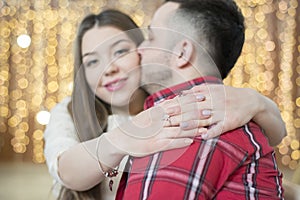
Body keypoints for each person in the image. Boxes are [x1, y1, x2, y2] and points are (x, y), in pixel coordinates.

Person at [44, 7, 285, 200]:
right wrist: (122, 138)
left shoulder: (197, 109)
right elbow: (65, 169)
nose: (109, 69)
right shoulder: (68, 112)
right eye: (92, 62)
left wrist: (258, 103)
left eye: (119, 52)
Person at [116, 0, 284, 199]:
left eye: (151, 38)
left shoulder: (188, 123)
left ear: (181, 53)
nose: (139, 49)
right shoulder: (229, 116)